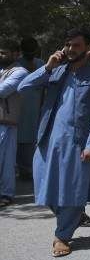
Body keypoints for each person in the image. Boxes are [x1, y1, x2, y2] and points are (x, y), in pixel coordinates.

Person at [18, 29, 90, 257]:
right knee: (44, 187)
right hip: (48, 139)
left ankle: (62, 235)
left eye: (76, 45)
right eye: (68, 44)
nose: (71, 49)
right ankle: (73, 215)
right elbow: (23, 87)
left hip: (77, 143)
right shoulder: (56, 71)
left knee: (72, 191)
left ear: (88, 47)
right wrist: (48, 67)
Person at [0, 39, 30, 207]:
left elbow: (3, 91)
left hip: (7, 123)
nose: (1, 55)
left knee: (6, 161)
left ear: (16, 54)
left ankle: (6, 194)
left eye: (4, 52)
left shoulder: (20, 72)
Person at [14, 37, 43, 180]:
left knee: (34, 139)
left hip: (36, 108)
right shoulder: (16, 66)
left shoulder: (42, 64)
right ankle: (23, 169)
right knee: (20, 139)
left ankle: (32, 169)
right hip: (18, 108)